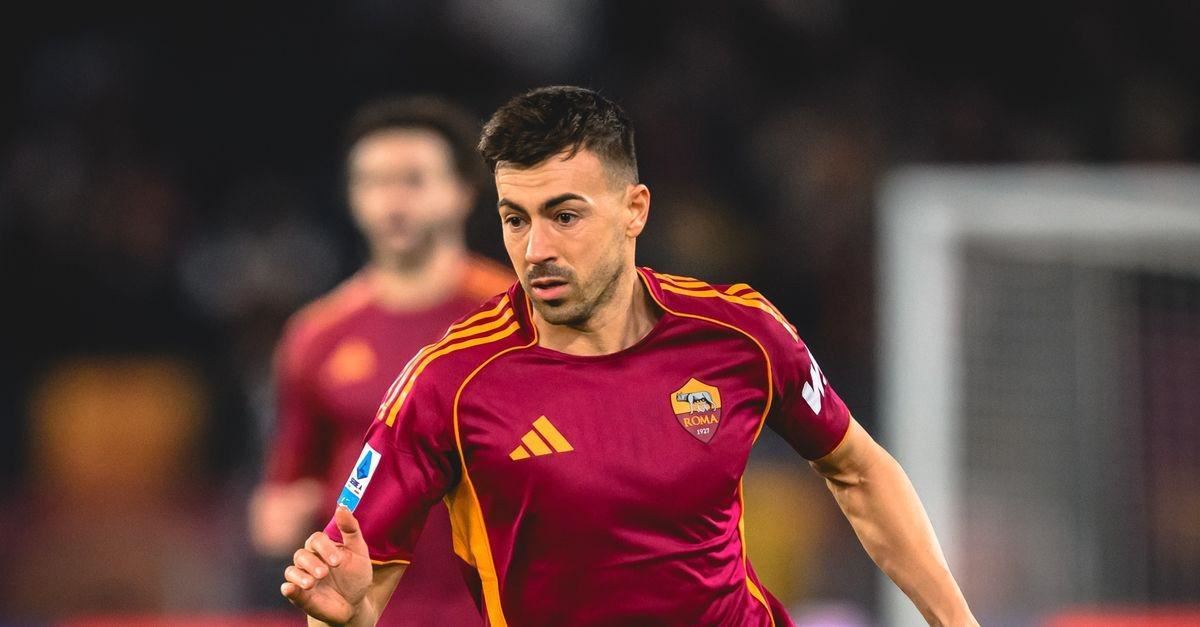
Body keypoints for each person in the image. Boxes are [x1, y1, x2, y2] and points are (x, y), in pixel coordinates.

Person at [280, 86, 978, 627]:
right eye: (515, 219)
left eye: (565, 215)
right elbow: (352, 589)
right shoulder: (449, 381)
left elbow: (857, 469)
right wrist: (339, 617)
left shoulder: (738, 334)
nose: (536, 250)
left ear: (635, 209)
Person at [251, 95, 510, 626]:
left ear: (464, 191)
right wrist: (289, 514)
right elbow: (280, 498)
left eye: (413, 180)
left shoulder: (518, 318)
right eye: (372, 182)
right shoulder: (316, 335)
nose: (392, 201)